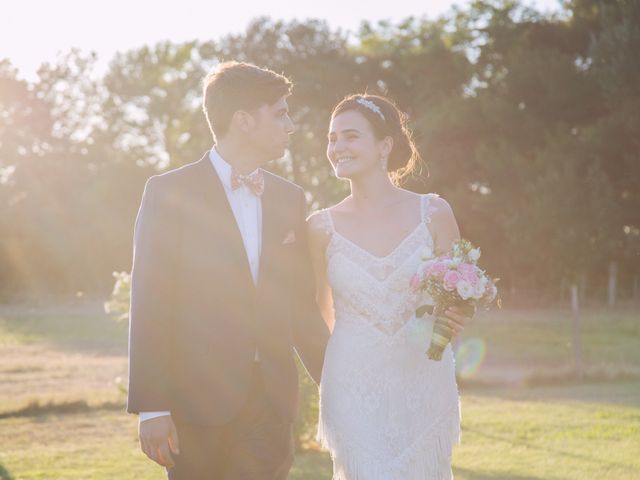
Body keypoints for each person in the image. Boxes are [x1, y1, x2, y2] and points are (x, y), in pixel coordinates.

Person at [127, 61, 329, 479]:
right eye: (280, 113)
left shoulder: (289, 198)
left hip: (271, 404)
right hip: (194, 404)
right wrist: (152, 407)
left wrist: (337, 381)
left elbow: (301, 307)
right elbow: (150, 300)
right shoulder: (169, 192)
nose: (290, 125)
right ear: (243, 121)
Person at [307, 94, 472, 479]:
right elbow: (320, 309)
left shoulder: (433, 212)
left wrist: (455, 315)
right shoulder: (318, 227)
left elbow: (458, 292)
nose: (337, 147)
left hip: (421, 379)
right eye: (332, 139)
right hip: (352, 384)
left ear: (385, 146)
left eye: (350, 136)